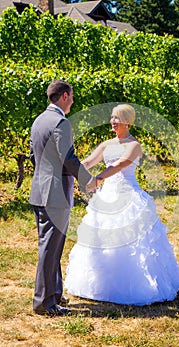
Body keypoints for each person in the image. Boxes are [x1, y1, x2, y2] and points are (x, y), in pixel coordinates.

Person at [65, 104, 179, 306]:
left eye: (117, 118)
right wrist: (69, 171)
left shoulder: (133, 145)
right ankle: (101, 284)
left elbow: (121, 164)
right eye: (112, 117)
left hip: (128, 195)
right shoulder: (106, 144)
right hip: (106, 197)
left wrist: (98, 178)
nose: (113, 121)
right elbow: (87, 162)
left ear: (128, 121)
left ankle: (135, 286)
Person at [29, 80, 97, 316]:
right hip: (55, 194)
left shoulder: (38, 121)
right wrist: (88, 180)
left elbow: (33, 156)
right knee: (50, 249)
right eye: (73, 96)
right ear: (65, 96)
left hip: (39, 191)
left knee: (52, 247)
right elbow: (68, 157)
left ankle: (54, 294)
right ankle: (44, 303)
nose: (74, 101)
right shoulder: (61, 122)